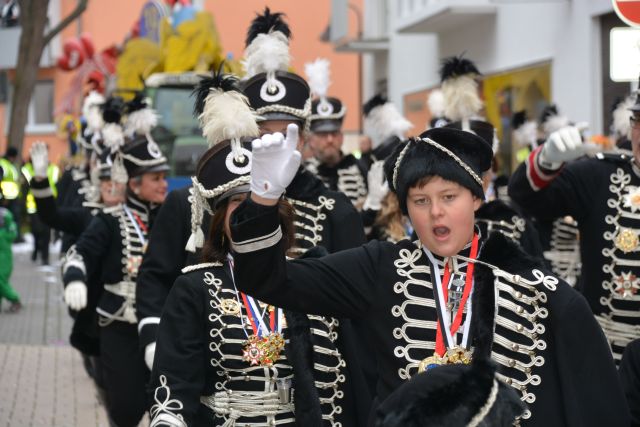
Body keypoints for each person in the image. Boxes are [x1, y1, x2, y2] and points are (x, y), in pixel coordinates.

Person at [229, 124, 629, 425]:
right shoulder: (378, 267)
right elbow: (269, 280)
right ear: (406, 210)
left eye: (449, 197)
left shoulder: (530, 284)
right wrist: (263, 201)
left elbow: (592, 395)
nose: (436, 212)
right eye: (420, 201)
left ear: (477, 198)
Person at [149, 71, 359, 426]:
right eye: (237, 205)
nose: (248, 214)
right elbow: (176, 381)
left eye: (257, 203)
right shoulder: (194, 287)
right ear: (219, 220)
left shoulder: (308, 276)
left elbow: (343, 374)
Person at [508, 84, 640, 364]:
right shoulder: (601, 176)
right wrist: (546, 160)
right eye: (638, 121)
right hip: (606, 358)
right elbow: (525, 196)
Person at [62, 134, 169, 427]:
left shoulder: (171, 219)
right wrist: (74, 277)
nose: (164, 184)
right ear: (134, 184)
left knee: (166, 401)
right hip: (120, 324)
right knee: (126, 406)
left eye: (164, 177)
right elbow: (80, 253)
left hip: (162, 322)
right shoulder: (109, 221)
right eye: (156, 178)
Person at [304, 58, 367, 207]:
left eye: (334, 133)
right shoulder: (303, 173)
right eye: (322, 135)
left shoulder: (360, 168)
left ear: (342, 136)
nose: (330, 139)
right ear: (311, 139)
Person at [0, 184, 20, 313]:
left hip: (4, 256)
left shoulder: (5, 215)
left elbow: (12, 233)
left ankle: (15, 299)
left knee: (0, 280)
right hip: (4, 254)